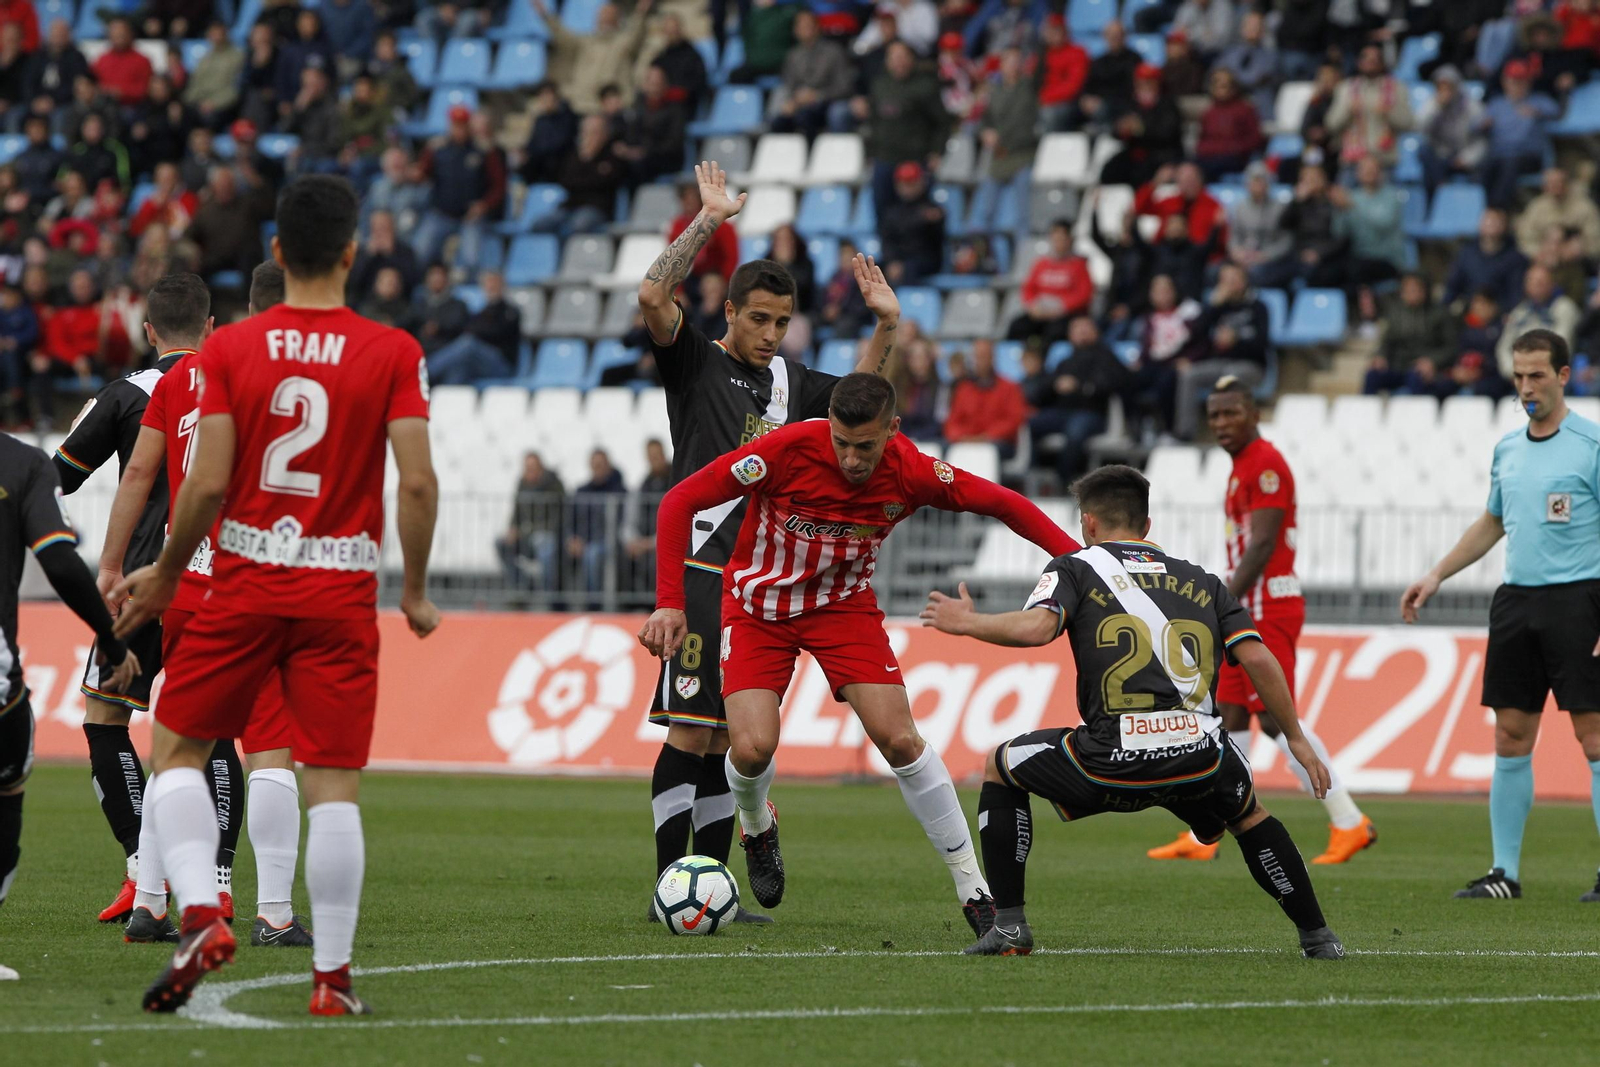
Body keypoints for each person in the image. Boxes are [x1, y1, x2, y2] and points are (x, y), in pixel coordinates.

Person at [112, 175, 441, 1014]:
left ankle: (197, 913)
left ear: (279, 254)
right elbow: (418, 483)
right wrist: (414, 587)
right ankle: (330, 980)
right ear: (352, 253)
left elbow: (207, 480)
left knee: (177, 746)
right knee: (331, 782)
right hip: (338, 596)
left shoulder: (228, 351)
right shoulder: (393, 351)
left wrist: (167, 566)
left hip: (244, 585)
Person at [639, 373, 1081, 936]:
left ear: (892, 430)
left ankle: (975, 889)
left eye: (864, 446)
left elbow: (1004, 503)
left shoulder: (913, 470)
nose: (850, 458)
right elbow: (680, 500)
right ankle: (756, 822)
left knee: (900, 740)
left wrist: (1082, 562)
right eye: (841, 443)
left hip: (842, 608)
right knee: (750, 750)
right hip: (756, 607)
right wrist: (668, 604)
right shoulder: (785, 449)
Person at [919, 464, 1345, 959]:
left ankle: (1009, 925)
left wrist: (968, 622)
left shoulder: (1075, 567)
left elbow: (1036, 630)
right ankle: (1318, 936)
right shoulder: (1204, 581)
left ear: (1089, 523)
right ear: (1146, 526)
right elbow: (1257, 657)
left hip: (1111, 759)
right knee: (1247, 813)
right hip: (1198, 757)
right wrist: (1295, 737)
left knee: (1001, 765)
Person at [634, 161, 900, 918]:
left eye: (782, 323)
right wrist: (709, 218)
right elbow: (654, 293)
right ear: (730, 311)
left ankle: (709, 885)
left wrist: (886, 324)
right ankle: (668, 886)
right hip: (698, 569)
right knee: (691, 731)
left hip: (755, 580)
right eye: (759, 320)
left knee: (727, 741)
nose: (770, 334)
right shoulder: (694, 363)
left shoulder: (787, 384)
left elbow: (856, 403)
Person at [96, 263, 313, 948]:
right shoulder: (302, 377)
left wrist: (112, 562)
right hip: (263, 579)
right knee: (270, 746)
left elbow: (138, 471)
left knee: (176, 744)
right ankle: (275, 912)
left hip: (187, 583)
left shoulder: (186, 375)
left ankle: (151, 902)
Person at [50, 272, 248, 927]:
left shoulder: (128, 394)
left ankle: (144, 872)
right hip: (216, 578)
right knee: (211, 731)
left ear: (148, 329)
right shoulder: (235, 384)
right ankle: (216, 880)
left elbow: (61, 478)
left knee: (106, 720)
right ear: (212, 327)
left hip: (139, 583)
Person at [1402, 330, 1600, 902]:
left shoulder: (1590, 445)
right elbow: (1493, 522)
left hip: (1580, 600)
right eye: (1518, 377)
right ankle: (1503, 874)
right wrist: (1436, 574)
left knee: (1594, 739)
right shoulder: (1508, 449)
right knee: (1511, 736)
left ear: (1564, 376)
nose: (1526, 387)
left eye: (1537, 375)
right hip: (1517, 601)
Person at [1151, 377, 1376, 861]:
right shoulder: (1241, 468)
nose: (1222, 423)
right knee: (1228, 716)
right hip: (1248, 605)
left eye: (1232, 413)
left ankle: (1349, 819)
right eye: (1214, 415)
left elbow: (1263, 545)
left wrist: (1218, 601)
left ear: (1254, 414)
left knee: (1276, 718)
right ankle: (1209, 832)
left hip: (1266, 605)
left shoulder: (1266, 464)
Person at [0, 432, 143, 981]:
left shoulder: (122, 396)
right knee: (7, 791)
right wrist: (110, 638)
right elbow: (58, 559)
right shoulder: (22, 464)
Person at [1026, 316, 1132, 483]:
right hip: (1064, 413)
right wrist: (1055, 385)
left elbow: (1114, 384)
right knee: (1031, 424)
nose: (1082, 332)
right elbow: (1042, 391)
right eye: (1077, 329)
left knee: (1075, 431)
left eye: (1086, 328)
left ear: (1096, 332)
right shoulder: (1065, 361)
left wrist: (1079, 386)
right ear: (1070, 335)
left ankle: (1063, 482)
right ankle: (1032, 477)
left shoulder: (1106, 357)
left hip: (1093, 413)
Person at [1172, 263, 1269, 440]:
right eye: (1224, 280)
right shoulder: (1218, 307)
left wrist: (1236, 341)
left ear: (1244, 281)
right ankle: (1185, 434)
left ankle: (1233, 434)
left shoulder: (1258, 307)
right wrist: (1212, 306)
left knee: (1230, 376)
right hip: (1219, 363)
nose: (1229, 284)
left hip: (1251, 365)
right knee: (1189, 375)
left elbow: (1262, 344)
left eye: (1233, 279)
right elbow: (1195, 334)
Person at [1479, 60, 1560, 211]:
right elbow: (1476, 125)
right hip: (1499, 155)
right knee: (1485, 167)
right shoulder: (1496, 105)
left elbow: (1555, 111)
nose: (1518, 85)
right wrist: (1484, 125)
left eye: (1522, 81)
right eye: (1514, 81)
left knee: (1510, 164)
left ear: (1529, 82)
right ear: (1505, 82)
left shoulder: (1538, 100)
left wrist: (1537, 112)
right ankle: (1489, 210)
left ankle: (1497, 210)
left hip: (1528, 156)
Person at [771, 8, 855, 140]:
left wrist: (817, 95)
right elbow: (789, 85)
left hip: (827, 103)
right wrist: (794, 100)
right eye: (800, 25)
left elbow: (844, 87)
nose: (804, 29)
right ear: (795, 30)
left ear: (817, 27)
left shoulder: (834, 52)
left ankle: (812, 156)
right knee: (778, 121)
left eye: (808, 25)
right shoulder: (793, 55)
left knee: (805, 117)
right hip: (799, 103)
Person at [1005, 219, 1091, 349]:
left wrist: (1061, 308)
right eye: (1055, 239)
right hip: (1041, 312)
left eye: (1061, 239)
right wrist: (1033, 307)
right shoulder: (1041, 264)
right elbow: (1028, 288)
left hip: (1065, 315)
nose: (1058, 243)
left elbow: (1084, 295)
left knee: (1054, 332)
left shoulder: (1079, 265)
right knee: (1017, 326)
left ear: (1069, 240)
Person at [943, 338, 1028, 459]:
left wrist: (986, 437)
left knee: (985, 453)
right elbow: (952, 422)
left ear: (992, 358)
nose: (978, 361)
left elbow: (1014, 421)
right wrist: (962, 437)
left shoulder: (1009, 388)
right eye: (976, 357)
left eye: (983, 356)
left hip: (997, 443)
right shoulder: (963, 389)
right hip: (965, 442)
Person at [497, 452, 565, 592]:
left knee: (545, 547)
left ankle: (548, 595)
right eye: (527, 468)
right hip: (526, 535)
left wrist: (527, 530)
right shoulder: (522, 484)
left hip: (548, 533)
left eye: (533, 468)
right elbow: (516, 511)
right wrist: (513, 528)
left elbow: (558, 517)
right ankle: (523, 585)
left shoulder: (553, 485)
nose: (530, 472)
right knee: (500, 543)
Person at [879, 161, 945, 285]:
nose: (906, 188)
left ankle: (904, 303)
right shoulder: (892, 212)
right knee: (868, 268)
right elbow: (887, 242)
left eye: (911, 183)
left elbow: (935, 243)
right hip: (898, 260)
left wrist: (932, 222)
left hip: (923, 261)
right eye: (903, 183)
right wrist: (892, 261)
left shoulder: (932, 209)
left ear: (921, 182)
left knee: (908, 270)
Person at [1515, 167, 1600, 262]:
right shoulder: (1536, 207)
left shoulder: (1584, 206)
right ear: (1544, 186)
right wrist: (1539, 252)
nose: (1555, 186)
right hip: (1544, 259)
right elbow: (1525, 238)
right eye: (1551, 183)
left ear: (1567, 184)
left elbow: (1596, 239)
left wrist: (1582, 248)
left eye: (1559, 182)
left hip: (1579, 260)